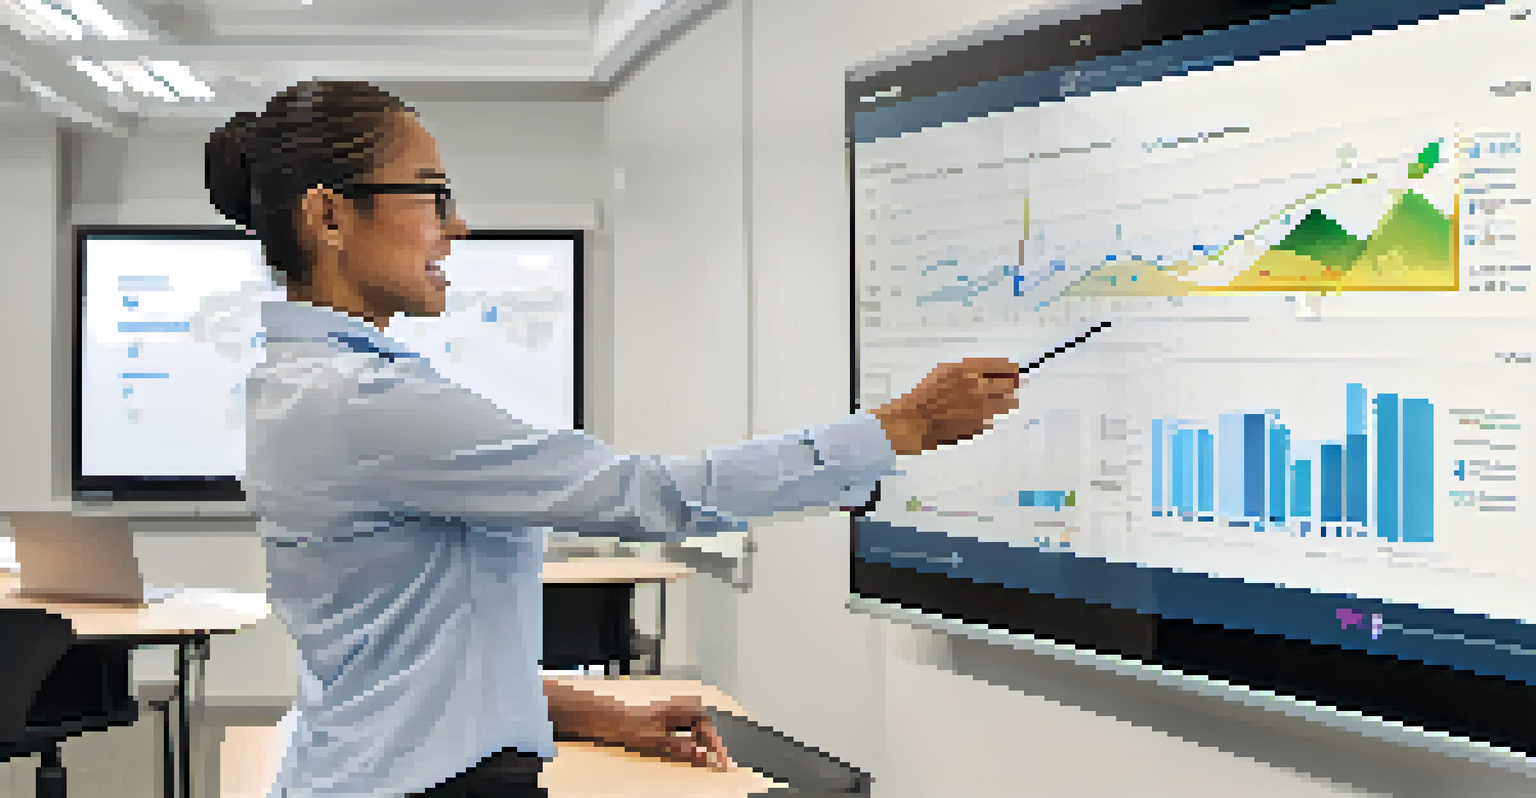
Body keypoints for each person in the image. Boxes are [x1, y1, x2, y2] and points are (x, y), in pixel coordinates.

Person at [207, 79, 1021, 798]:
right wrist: (896, 429)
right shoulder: (363, 401)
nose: (455, 227)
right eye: (431, 195)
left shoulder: (300, 387)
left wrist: (599, 714)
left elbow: (404, 660)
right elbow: (648, 494)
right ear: (328, 215)